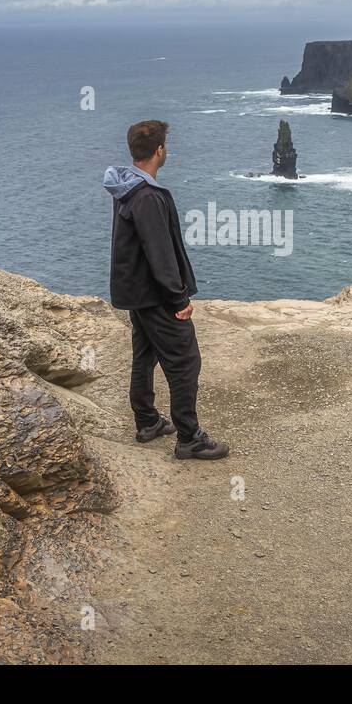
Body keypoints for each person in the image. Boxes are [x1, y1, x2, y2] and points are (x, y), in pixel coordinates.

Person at [102, 120, 229, 460]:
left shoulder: (125, 186)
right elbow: (159, 252)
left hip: (137, 294)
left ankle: (147, 421)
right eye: (166, 146)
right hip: (156, 296)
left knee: (144, 357)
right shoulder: (147, 197)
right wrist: (179, 298)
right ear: (159, 150)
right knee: (185, 362)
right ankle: (189, 437)